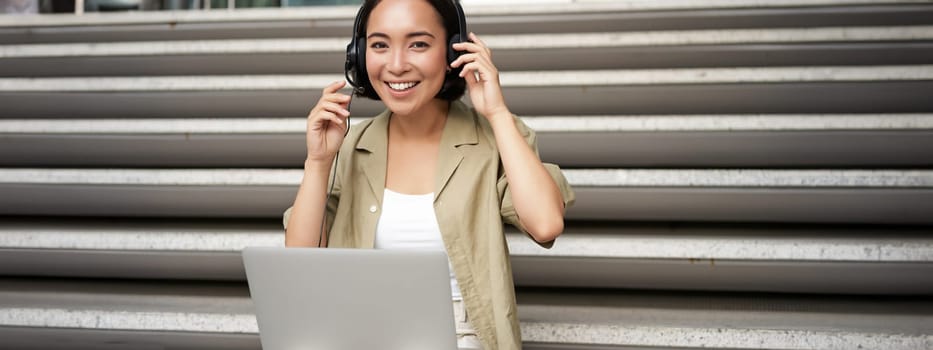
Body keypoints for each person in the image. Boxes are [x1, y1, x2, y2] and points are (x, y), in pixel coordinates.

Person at [283, 0, 574, 348]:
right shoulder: (351, 145)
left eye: (418, 44)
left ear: (453, 52)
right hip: (361, 332)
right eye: (379, 45)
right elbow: (300, 263)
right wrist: (318, 162)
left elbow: (546, 223)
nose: (396, 64)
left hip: (459, 336)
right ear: (359, 55)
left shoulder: (495, 138)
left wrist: (496, 112)